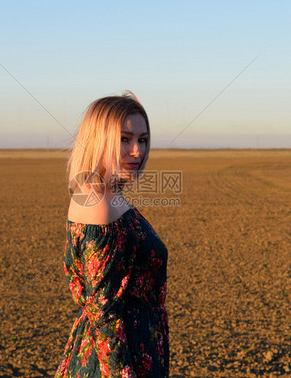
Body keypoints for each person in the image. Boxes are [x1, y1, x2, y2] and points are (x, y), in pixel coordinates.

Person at [55, 92, 169, 377]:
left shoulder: (106, 196)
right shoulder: (98, 206)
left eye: (142, 140)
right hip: (117, 361)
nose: (137, 151)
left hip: (135, 347)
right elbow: (103, 312)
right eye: (124, 139)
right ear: (98, 140)